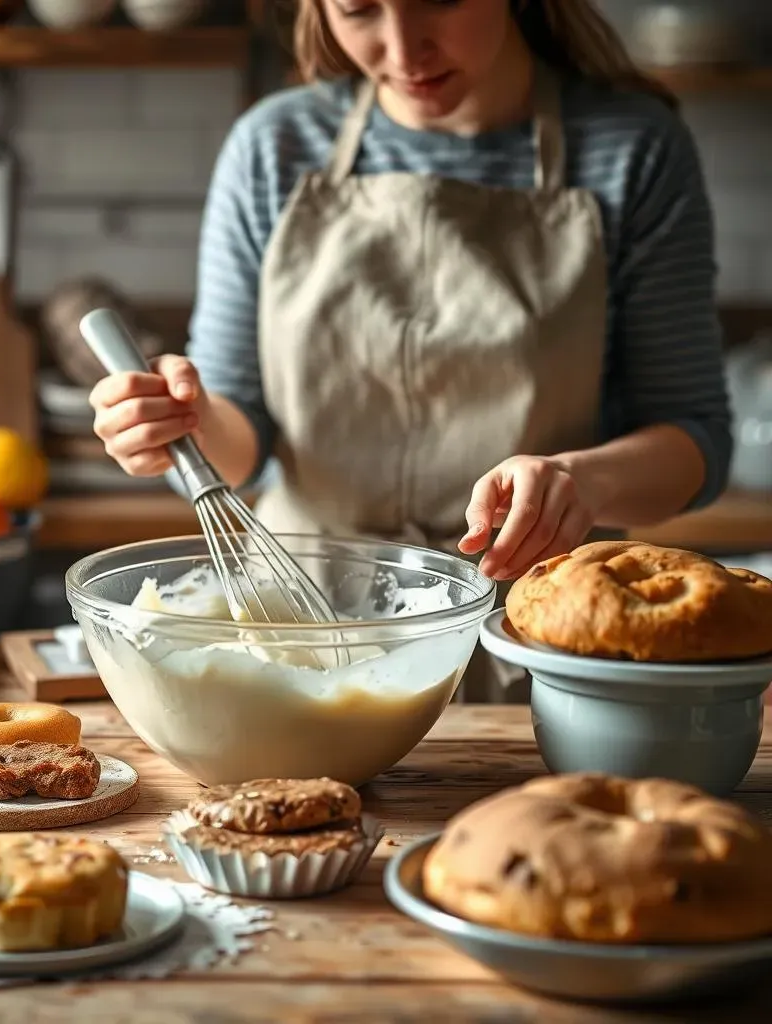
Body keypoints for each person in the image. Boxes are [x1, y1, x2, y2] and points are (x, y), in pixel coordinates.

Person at [89, 0, 732, 700]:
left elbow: (695, 438)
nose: (403, 49)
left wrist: (583, 481)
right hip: (301, 640)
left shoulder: (632, 147)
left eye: (438, 0)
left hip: (535, 642)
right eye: (358, 8)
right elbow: (243, 442)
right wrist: (184, 418)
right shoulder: (275, 146)